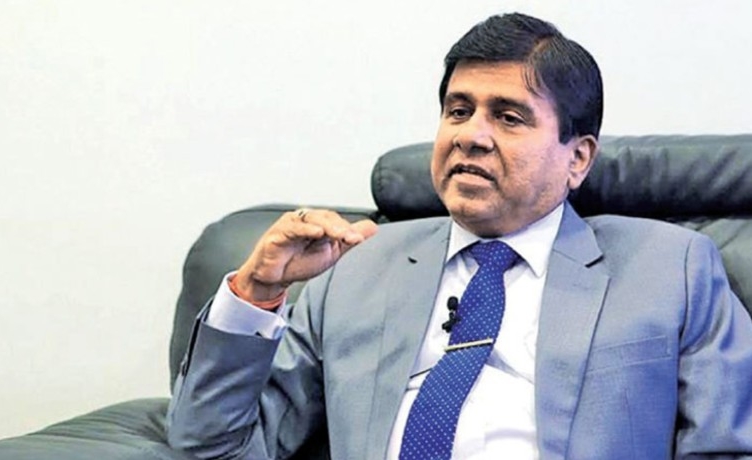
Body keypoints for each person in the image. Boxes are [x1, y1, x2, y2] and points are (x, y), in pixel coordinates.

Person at [166, 12, 752, 459]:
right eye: (458, 110)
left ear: (578, 158)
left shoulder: (670, 267)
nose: (470, 135)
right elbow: (212, 447)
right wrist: (256, 292)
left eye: (508, 116)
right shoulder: (357, 268)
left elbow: (729, 448)